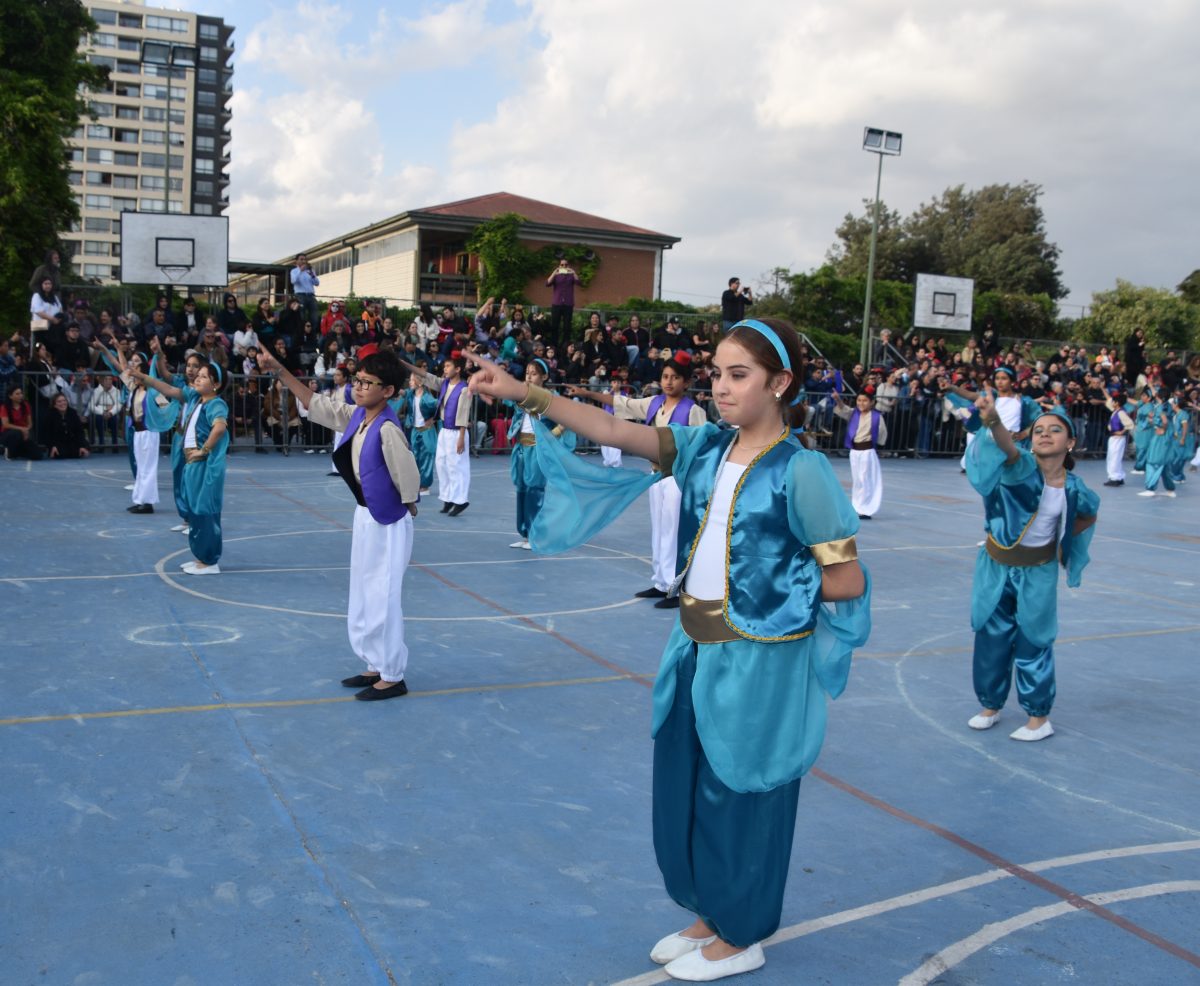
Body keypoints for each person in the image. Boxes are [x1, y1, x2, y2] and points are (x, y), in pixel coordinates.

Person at [464, 316, 869, 982]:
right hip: (695, 645)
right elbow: (613, 430)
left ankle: (743, 932)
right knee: (687, 783)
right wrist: (522, 392)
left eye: (738, 374)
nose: (721, 386)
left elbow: (846, 578)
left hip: (760, 659)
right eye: (717, 373)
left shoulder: (802, 472)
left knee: (741, 791)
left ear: (781, 383)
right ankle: (711, 913)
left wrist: (766, 591)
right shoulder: (707, 446)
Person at [259, 346, 421, 701]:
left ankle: (393, 674)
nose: (359, 387)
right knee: (364, 590)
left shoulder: (388, 427)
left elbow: (407, 474)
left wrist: (407, 506)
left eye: (368, 382)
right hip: (366, 515)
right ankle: (375, 662)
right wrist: (279, 370)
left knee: (384, 594)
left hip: (387, 520)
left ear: (389, 391)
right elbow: (315, 403)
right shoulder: (357, 416)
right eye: (357, 380)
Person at [966, 394, 1099, 742]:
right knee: (991, 640)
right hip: (996, 568)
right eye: (1038, 429)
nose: (1044, 434)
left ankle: (1039, 718)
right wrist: (993, 420)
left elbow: (1088, 513)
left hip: (1038, 571)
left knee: (1033, 642)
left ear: (1070, 442)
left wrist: (1062, 546)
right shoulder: (1018, 466)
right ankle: (990, 706)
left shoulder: (1074, 488)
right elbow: (1007, 447)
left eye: (1055, 430)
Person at [570, 352, 707, 610]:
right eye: (666, 376)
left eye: (675, 378)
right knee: (659, 529)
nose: (669, 382)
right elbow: (623, 403)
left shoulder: (693, 411)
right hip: (655, 475)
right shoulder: (655, 403)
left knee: (675, 532)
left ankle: (677, 586)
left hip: (679, 478)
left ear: (686, 382)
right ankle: (661, 582)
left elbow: (702, 446)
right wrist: (588, 394)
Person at [129, 359, 229, 574]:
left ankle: (210, 560)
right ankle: (200, 556)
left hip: (203, 464)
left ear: (216, 384)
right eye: (198, 375)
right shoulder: (195, 398)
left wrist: (204, 450)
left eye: (203, 376)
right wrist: (144, 377)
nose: (197, 378)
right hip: (192, 463)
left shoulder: (215, 404)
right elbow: (168, 389)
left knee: (204, 510)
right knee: (193, 510)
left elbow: (219, 428)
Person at [505, 357, 574, 549]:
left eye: (533, 373)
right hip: (521, 447)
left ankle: (537, 534)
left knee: (535, 489)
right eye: (527, 372)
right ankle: (525, 533)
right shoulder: (523, 395)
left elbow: (566, 420)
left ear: (544, 376)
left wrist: (552, 435)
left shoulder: (550, 398)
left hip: (537, 448)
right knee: (522, 489)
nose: (529, 376)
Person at [833, 390, 887, 518]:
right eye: (859, 400)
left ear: (871, 402)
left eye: (865, 400)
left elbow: (882, 434)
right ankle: (857, 506)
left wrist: (875, 444)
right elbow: (843, 409)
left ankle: (865, 508)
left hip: (867, 451)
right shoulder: (854, 414)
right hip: (855, 452)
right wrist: (838, 399)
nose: (861, 403)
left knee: (865, 479)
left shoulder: (876, 416)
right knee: (857, 480)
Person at [402, 363, 438, 494]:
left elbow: (440, 407)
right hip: (415, 430)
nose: (410, 382)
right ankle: (416, 484)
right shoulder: (410, 395)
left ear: (419, 382)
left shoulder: (428, 398)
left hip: (426, 431)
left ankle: (425, 485)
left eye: (412, 380)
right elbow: (402, 392)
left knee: (427, 456)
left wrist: (434, 419)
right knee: (415, 457)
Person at [1137, 390, 1176, 498]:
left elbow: (1164, 421)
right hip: (1167, 436)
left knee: (1153, 461)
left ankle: (1150, 488)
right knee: (1165, 463)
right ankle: (1170, 489)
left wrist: (1162, 428)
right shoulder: (1168, 406)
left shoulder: (1160, 407)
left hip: (1161, 436)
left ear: (1159, 397)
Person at [1, 387, 44, 461]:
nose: (20, 395)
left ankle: (13, 450)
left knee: (38, 455)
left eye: (21, 393)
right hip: (8, 433)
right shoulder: (4, 407)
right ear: (10, 396)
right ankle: (10, 453)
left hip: (24, 433)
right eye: (17, 394)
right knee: (16, 433)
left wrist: (27, 430)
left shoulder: (26, 405)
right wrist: (22, 429)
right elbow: (5, 424)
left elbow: (30, 423)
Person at [546, 258, 581, 346]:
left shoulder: (571, 275)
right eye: (562, 265)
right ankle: (554, 344)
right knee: (555, 325)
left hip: (568, 303)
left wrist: (573, 272)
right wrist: (554, 272)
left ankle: (566, 344)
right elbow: (547, 283)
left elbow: (578, 282)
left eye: (566, 265)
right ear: (559, 265)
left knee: (567, 326)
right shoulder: (556, 276)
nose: (564, 266)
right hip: (557, 303)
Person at [44, 393, 90, 459]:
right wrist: (52, 446)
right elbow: (47, 434)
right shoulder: (50, 415)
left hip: (72, 441)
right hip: (57, 442)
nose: (62, 403)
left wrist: (81, 446)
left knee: (78, 452)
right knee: (60, 454)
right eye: (59, 401)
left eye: (64, 400)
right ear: (54, 405)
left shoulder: (73, 413)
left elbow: (79, 432)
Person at [1103, 393, 1134, 487]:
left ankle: (1114, 477)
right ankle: (1119, 476)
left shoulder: (1120, 412)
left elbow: (1130, 424)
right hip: (1115, 437)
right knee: (1115, 457)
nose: (1112, 403)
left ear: (1117, 403)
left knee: (1114, 458)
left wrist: (1122, 431)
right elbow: (1108, 402)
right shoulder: (1117, 411)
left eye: (1113, 401)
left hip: (1117, 438)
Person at [89, 373, 123, 450]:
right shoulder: (97, 391)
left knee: (115, 418)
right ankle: (101, 444)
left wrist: (111, 412)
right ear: (101, 381)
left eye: (110, 379)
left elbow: (118, 405)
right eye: (106, 379)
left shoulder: (116, 391)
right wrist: (103, 411)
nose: (108, 381)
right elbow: (91, 405)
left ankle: (115, 444)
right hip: (101, 413)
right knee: (98, 418)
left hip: (112, 413)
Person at [290, 254, 320, 327]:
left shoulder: (310, 270)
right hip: (300, 295)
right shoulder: (294, 271)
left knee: (314, 316)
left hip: (311, 295)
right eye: (301, 259)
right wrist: (300, 270)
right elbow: (293, 281)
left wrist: (312, 274)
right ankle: (301, 333)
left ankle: (312, 333)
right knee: (301, 315)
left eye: (305, 259)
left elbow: (317, 283)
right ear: (296, 261)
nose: (303, 261)